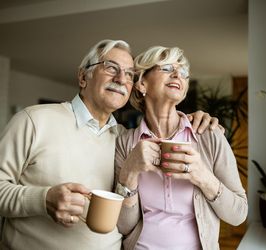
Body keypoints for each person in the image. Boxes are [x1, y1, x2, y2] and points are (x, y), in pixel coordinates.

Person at [0, 40, 220, 249]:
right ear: (83, 77)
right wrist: (43, 199)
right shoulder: (34, 120)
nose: (121, 78)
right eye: (111, 68)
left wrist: (192, 120)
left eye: (129, 74)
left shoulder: (126, 140)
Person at [114, 45, 248, 250]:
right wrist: (130, 172)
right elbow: (124, 227)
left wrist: (202, 176)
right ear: (142, 83)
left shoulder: (209, 135)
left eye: (184, 72)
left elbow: (238, 214)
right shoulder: (125, 143)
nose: (178, 74)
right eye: (167, 68)